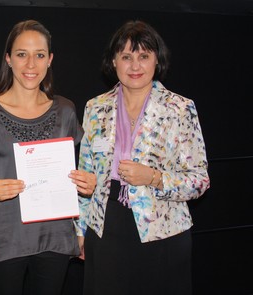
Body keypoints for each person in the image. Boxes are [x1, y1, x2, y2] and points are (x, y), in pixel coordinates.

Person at [76, 20, 210, 295]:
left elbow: (199, 181)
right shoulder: (95, 107)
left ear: (156, 61)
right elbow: (84, 175)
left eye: (143, 56)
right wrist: (80, 229)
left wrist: (154, 177)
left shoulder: (179, 109)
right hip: (105, 229)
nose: (135, 66)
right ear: (114, 62)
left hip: (163, 233)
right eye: (126, 57)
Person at [0, 20, 96, 295]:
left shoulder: (66, 111)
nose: (31, 64)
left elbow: (80, 171)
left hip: (55, 238)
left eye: (40, 55)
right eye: (22, 54)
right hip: (5, 239)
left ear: (50, 60)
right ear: (9, 59)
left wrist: (87, 183)